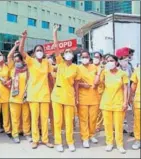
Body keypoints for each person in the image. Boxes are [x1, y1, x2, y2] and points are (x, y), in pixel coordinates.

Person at [19, 30, 54, 149]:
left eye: (41, 50)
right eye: (37, 50)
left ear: (44, 52)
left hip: (44, 94)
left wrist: (53, 90)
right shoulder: (31, 61)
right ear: (34, 53)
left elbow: (50, 77)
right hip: (33, 94)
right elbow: (21, 51)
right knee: (34, 118)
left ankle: (45, 139)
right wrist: (23, 38)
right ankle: (35, 140)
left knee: (44, 119)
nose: (39, 52)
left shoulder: (46, 62)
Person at [51, 24, 80, 152]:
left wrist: (77, 98)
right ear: (63, 55)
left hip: (69, 97)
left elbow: (77, 85)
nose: (68, 53)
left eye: (70, 52)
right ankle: (58, 142)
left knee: (69, 121)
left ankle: (70, 142)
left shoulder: (76, 68)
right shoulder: (60, 63)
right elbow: (56, 46)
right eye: (66, 52)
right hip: (57, 96)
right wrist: (54, 32)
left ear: (73, 56)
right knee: (58, 121)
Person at [94, 54, 128, 154]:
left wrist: (125, 102)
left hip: (118, 103)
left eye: (112, 60)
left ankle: (119, 145)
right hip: (106, 103)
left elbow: (126, 88)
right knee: (108, 125)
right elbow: (96, 83)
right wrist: (99, 71)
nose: (110, 62)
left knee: (118, 125)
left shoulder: (123, 74)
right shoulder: (105, 72)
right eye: (108, 61)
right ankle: (109, 143)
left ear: (116, 62)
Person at [8, 41, 31, 143]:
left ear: (22, 61)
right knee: (15, 118)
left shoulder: (27, 70)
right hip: (14, 98)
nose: (17, 62)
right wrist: (15, 46)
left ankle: (26, 133)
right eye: (15, 60)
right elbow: (9, 56)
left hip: (25, 97)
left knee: (26, 117)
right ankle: (15, 134)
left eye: (18, 60)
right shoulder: (12, 69)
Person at [77, 51, 100, 148]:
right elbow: (74, 82)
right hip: (83, 98)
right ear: (80, 58)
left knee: (93, 118)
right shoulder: (78, 68)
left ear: (89, 58)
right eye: (83, 56)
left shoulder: (95, 68)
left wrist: (97, 80)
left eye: (86, 56)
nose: (85, 58)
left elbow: (98, 81)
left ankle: (92, 135)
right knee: (83, 119)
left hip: (94, 97)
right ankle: (85, 138)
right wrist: (82, 84)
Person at [116, 47, 134, 136]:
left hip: (128, 91)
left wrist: (130, 95)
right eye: (125, 56)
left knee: (129, 112)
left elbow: (131, 79)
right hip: (118, 93)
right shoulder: (114, 68)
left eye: (127, 56)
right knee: (119, 113)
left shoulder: (129, 66)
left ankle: (131, 130)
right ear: (119, 57)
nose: (127, 58)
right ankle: (120, 129)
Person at [93, 52, 104, 132]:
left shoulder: (102, 68)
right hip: (91, 91)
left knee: (99, 110)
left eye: (97, 57)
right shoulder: (90, 67)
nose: (95, 58)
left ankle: (97, 126)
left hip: (101, 92)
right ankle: (92, 124)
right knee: (93, 110)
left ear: (100, 58)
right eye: (94, 56)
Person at [130, 66, 140, 150]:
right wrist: (130, 97)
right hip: (139, 101)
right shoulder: (138, 70)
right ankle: (138, 140)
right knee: (138, 122)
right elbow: (134, 84)